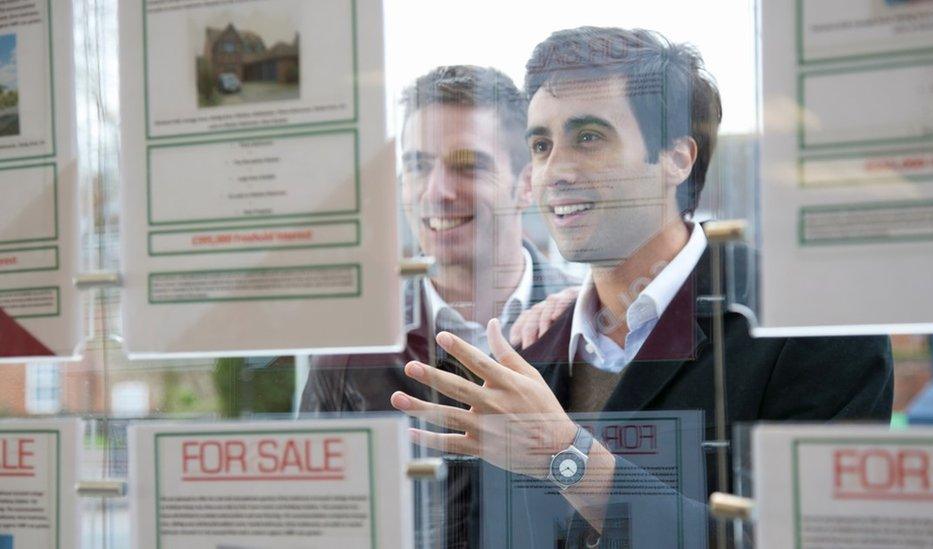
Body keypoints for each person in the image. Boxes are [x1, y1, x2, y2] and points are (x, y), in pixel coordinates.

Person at [389, 27, 893, 547]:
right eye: (541, 144)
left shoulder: (809, 323)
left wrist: (569, 458)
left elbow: (817, 537)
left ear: (677, 158)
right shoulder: (529, 347)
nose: (554, 170)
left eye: (589, 137)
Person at [300, 65, 578, 547]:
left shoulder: (588, 328)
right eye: (418, 165)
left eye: (468, 164)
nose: (436, 192)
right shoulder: (353, 347)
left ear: (526, 183)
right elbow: (309, 523)